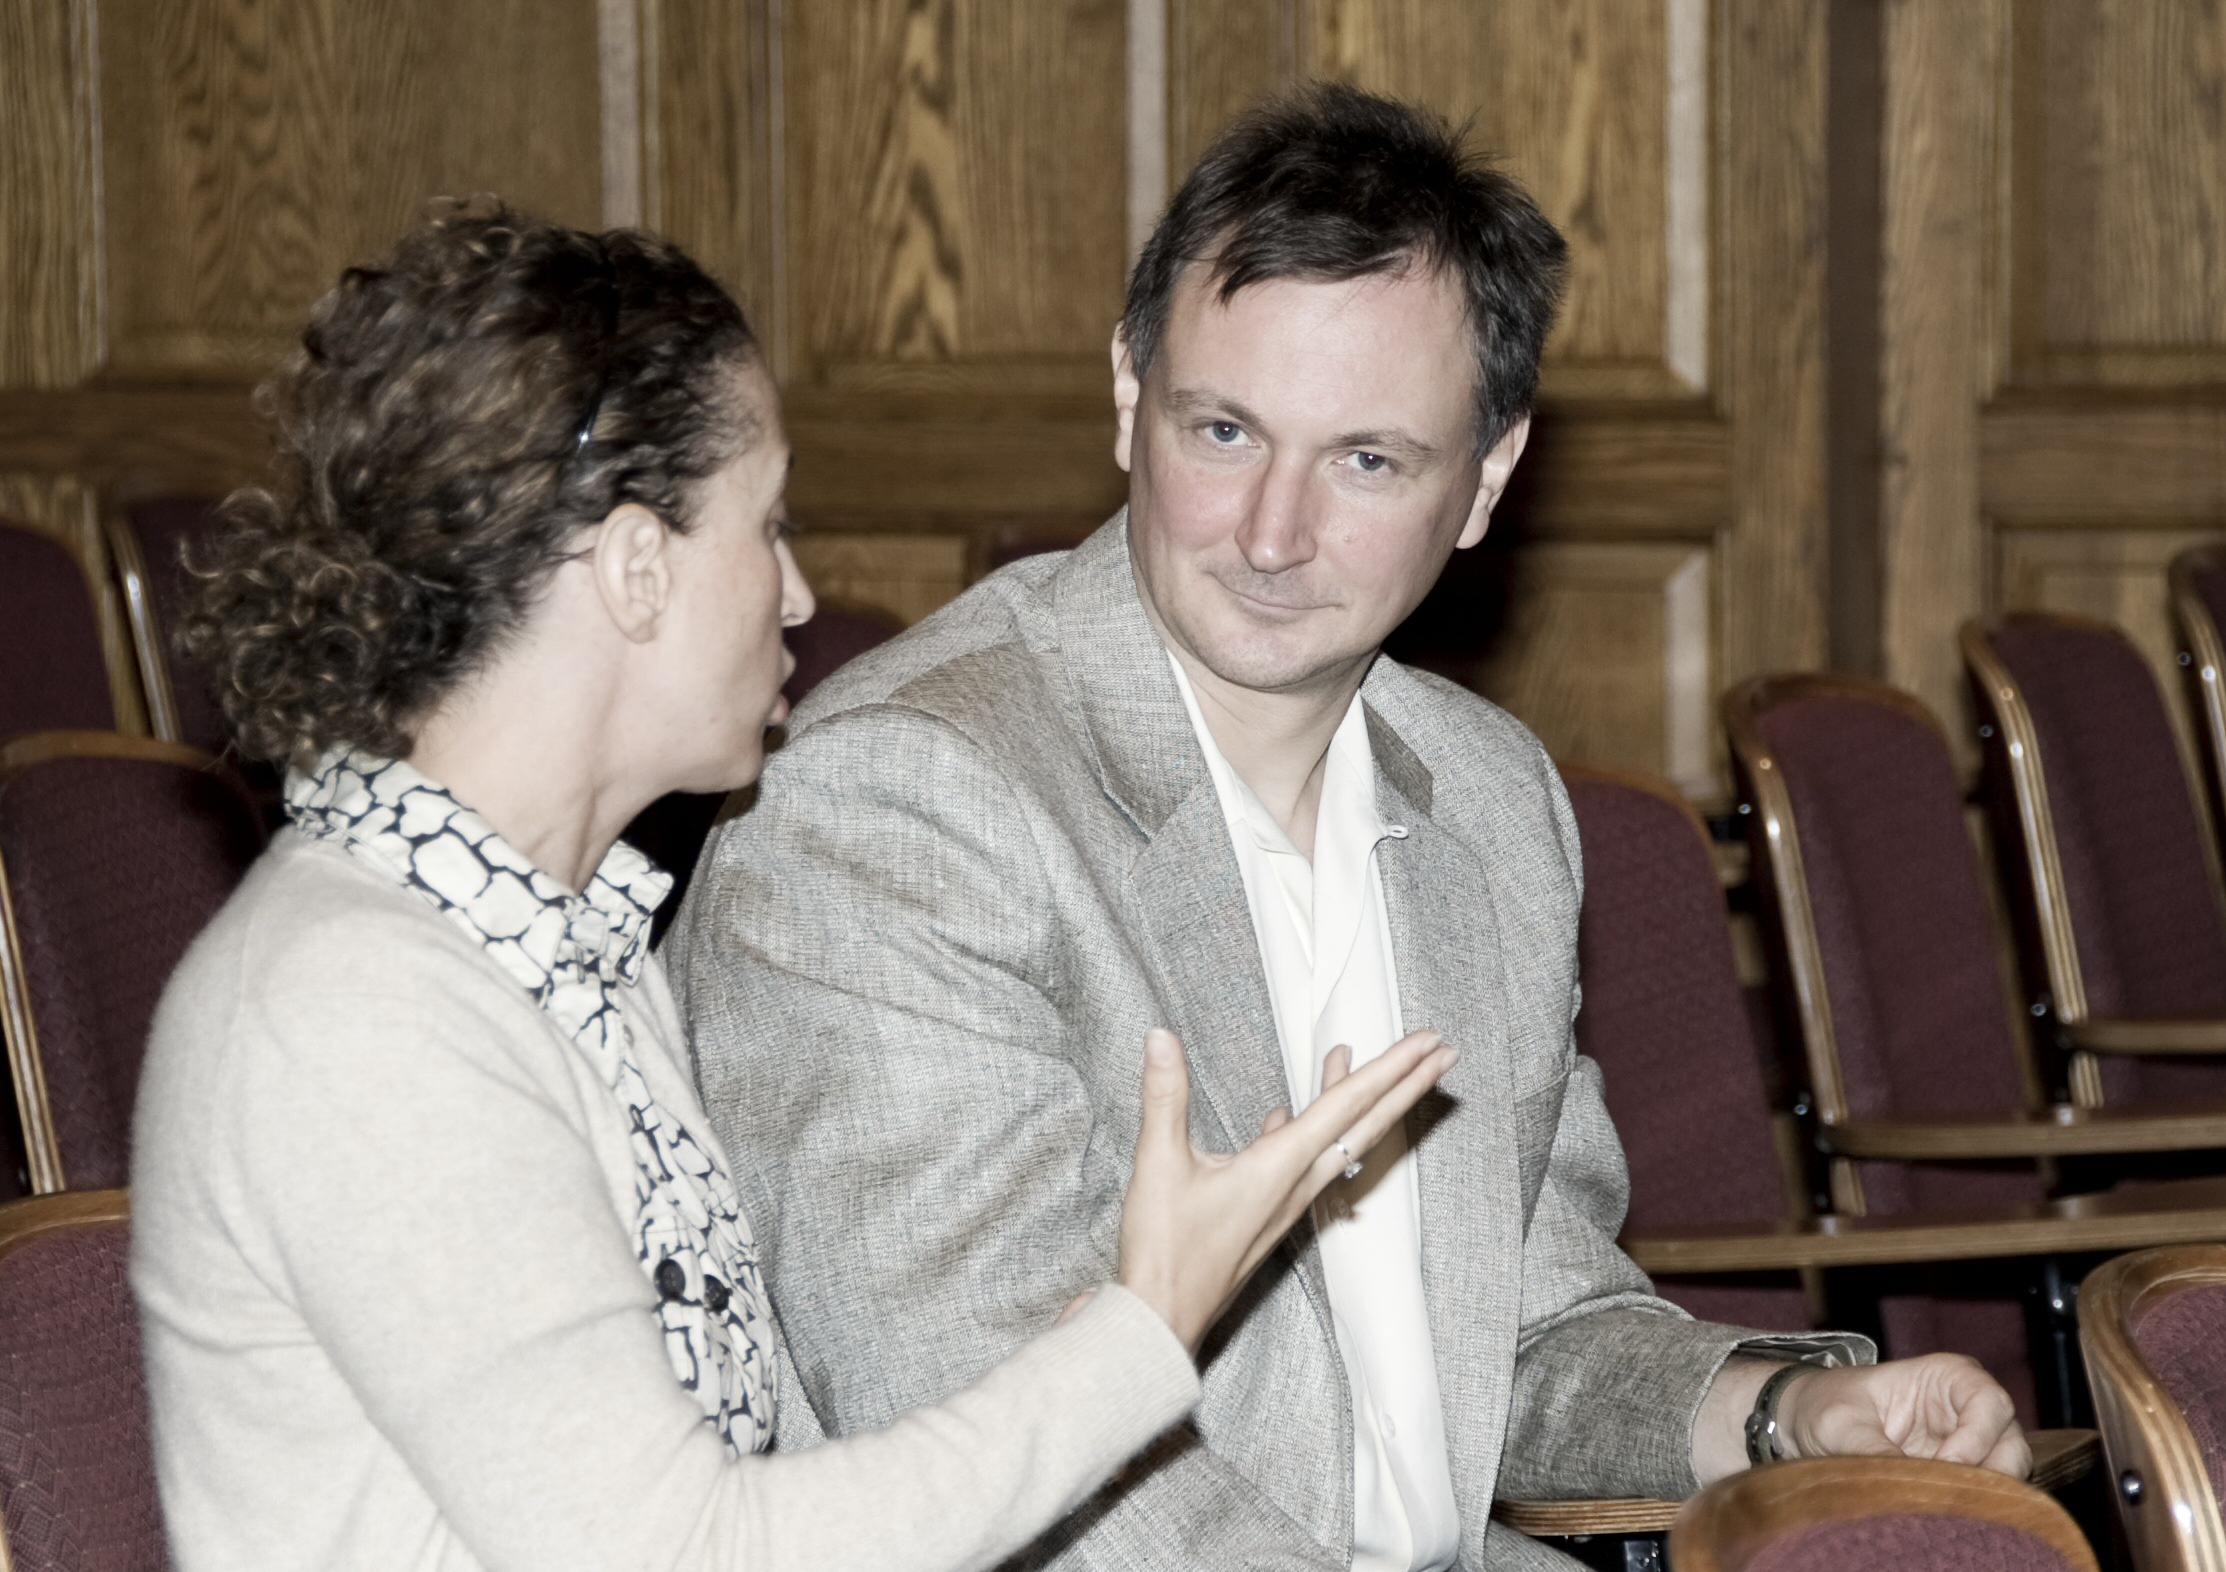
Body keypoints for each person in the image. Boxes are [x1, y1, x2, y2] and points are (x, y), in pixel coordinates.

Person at [668, 83, 2030, 1572]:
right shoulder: (904, 806)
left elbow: (1522, 1338)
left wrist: (1785, 1415)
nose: (1271, 533)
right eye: (1223, 431)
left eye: (1366, 461)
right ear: (1128, 396)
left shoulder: (1489, 799)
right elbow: (986, 1443)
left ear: (1485, 480)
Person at [128, 203, 1459, 1572]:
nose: (800, 595)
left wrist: (1100, 1341)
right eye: (766, 526)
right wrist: (1145, 1326)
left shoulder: (571, 951)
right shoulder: (353, 1008)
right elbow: (681, 1553)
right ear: (637, 568)